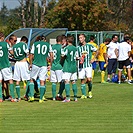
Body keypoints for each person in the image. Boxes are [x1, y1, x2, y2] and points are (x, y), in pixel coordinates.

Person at [29, 35, 53, 103]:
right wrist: (50, 64)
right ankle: (41, 98)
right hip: (44, 65)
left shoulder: (35, 44)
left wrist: (30, 63)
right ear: (45, 40)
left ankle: (31, 96)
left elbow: (31, 55)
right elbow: (51, 56)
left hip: (35, 64)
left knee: (32, 80)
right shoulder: (48, 45)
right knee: (42, 81)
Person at [77, 34, 97, 99]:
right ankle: (83, 94)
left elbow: (97, 50)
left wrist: (93, 58)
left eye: (81, 38)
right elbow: (76, 56)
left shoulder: (89, 46)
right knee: (82, 80)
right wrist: (78, 58)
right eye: (79, 38)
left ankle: (90, 90)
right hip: (81, 66)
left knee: (89, 79)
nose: (80, 39)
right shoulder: (78, 47)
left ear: (84, 38)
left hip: (88, 65)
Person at [12, 36, 30, 101]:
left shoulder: (15, 46)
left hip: (17, 63)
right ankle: (27, 95)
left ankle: (19, 97)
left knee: (17, 80)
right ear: (25, 41)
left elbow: (13, 54)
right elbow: (27, 53)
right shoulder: (24, 44)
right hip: (23, 62)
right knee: (28, 79)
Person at [0, 32, 16, 102]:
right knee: (10, 80)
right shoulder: (5, 44)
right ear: (2, 37)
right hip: (5, 65)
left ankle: (0, 98)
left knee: (0, 81)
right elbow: (11, 52)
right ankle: (12, 97)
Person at [62, 36, 78, 102]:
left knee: (67, 81)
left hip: (67, 67)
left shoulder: (66, 48)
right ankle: (75, 97)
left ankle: (68, 97)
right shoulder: (75, 48)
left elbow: (62, 55)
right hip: (74, 67)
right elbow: (77, 57)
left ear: (67, 41)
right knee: (73, 82)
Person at [50, 35, 63, 100]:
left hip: (53, 66)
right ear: (61, 41)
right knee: (62, 81)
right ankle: (59, 94)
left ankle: (53, 97)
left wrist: (51, 64)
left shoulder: (52, 47)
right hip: (59, 66)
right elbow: (62, 56)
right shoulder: (61, 47)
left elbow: (50, 57)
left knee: (54, 82)